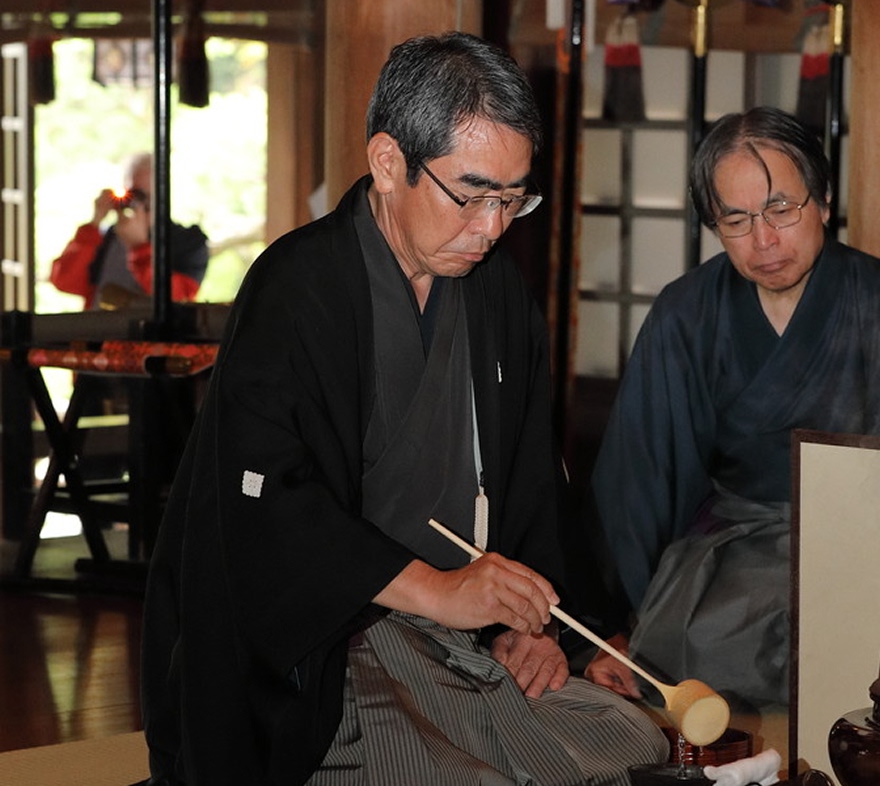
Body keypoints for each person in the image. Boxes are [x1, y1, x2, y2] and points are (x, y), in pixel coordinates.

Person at [140, 32, 669, 786]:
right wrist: (445, 592)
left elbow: (527, 481)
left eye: (512, 199)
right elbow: (269, 509)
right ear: (389, 163)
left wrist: (534, 624)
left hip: (461, 637)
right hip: (338, 637)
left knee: (629, 738)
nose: (491, 228)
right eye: (472, 194)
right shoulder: (297, 288)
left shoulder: (495, 295)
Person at [583, 106, 880, 713]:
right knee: (688, 659)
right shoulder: (687, 315)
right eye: (735, 219)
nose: (763, 240)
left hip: (863, 559)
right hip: (733, 557)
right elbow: (638, 484)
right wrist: (611, 628)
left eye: (781, 210)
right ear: (713, 224)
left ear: (822, 200)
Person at [50, 151, 209, 310]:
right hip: (100, 332)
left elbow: (178, 298)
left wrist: (139, 248)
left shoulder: (189, 242)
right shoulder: (107, 237)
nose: (142, 204)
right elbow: (64, 281)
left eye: (150, 197)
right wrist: (94, 223)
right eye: (135, 195)